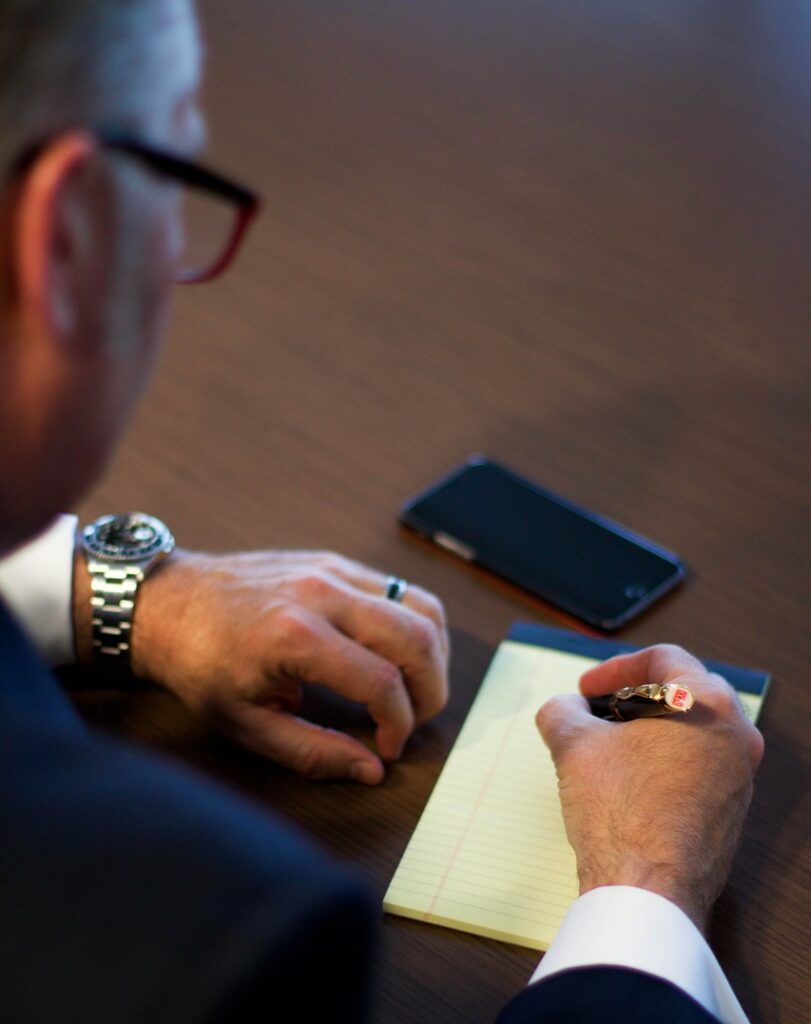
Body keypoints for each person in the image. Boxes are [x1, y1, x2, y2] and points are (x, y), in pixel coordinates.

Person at [0, 1, 763, 1021]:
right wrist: (647, 892)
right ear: (70, 234)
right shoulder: (201, 930)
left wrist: (124, 594)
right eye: (176, 180)